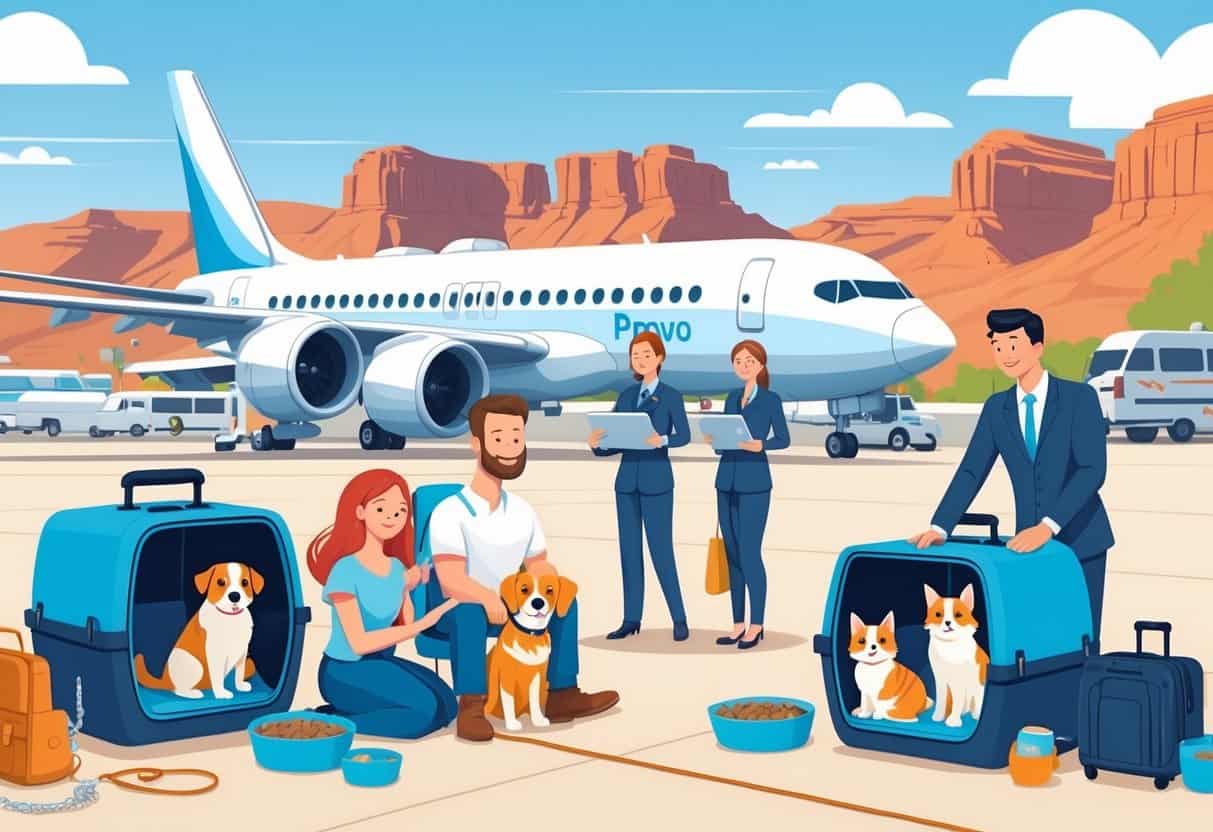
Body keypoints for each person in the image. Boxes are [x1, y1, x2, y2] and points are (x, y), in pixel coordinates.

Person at [427, 393, 620, 742]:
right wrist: (489, 599)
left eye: (517, 437)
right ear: (476, 444)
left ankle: (560, 693)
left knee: (564, 602)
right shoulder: (449, 511)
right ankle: (472, 704)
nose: (510, 446)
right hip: (454, 606)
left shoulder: (522, 510)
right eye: (499, 438)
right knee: (470, 612)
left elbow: (538, 562)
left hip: (509, 603)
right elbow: (451, 581)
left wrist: (550, 584)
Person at [909, 308, 1112, 637]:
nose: (1006, 354)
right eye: (998, 346)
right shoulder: (996, 409)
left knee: (1082, 637)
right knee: (1040, 638)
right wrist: (940, 525)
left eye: (1014, 344)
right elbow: (972, 470)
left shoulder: (1079, 398)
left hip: (1081, 542)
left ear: (1038, 347)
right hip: (1028, 547)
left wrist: (1048, 527)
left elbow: (1092, 471)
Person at [309, 469, 459, 739]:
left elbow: (406, 625)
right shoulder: (345, 570)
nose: (392, 517)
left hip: (379, 664)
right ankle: (333, 721)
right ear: (360, 512)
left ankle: (350, 714)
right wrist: (425, 623)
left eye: (401, 511)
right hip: (344, 671)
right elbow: (359, 643)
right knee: (423, 714)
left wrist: (407, 588)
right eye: (381, 509)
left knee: (447, 706)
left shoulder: (396, 568)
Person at [588, 331, 690, 642]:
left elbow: (684, 435)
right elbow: (616, 437)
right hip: (627, 482)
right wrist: (597, 445)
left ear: (659, 358)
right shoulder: (626, 396)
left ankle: (679, 618)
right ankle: (631, 618)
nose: (641, 360)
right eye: (636, 355)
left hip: (656, 481)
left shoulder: (670, 396)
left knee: (661, 552)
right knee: (629, 553)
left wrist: (664, 440)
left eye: (647, 354)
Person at [704, 339, 790, 650]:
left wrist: (761, 445)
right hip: (726, 481)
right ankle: (738, 624)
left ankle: (757, 624)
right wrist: (717, 441)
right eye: (738, 360)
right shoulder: (731, 398)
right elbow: (728, 436)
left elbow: (784, 438)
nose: (743, 365)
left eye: (749, 360)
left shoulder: (770, 399)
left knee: (751, 554)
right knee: (733, 556)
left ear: (761, 365)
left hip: (754, 483)